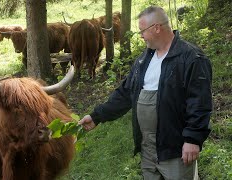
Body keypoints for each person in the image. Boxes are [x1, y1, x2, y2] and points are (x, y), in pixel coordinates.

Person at [78, 5, 212, 180]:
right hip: (148, 151)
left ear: (156, 28)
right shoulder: (144, 59)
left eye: (142, 31)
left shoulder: (191, 58)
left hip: (175, 150)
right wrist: (96, 116)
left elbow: (200, 103)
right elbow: (125, 93)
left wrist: (193, 139)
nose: (140, 35)